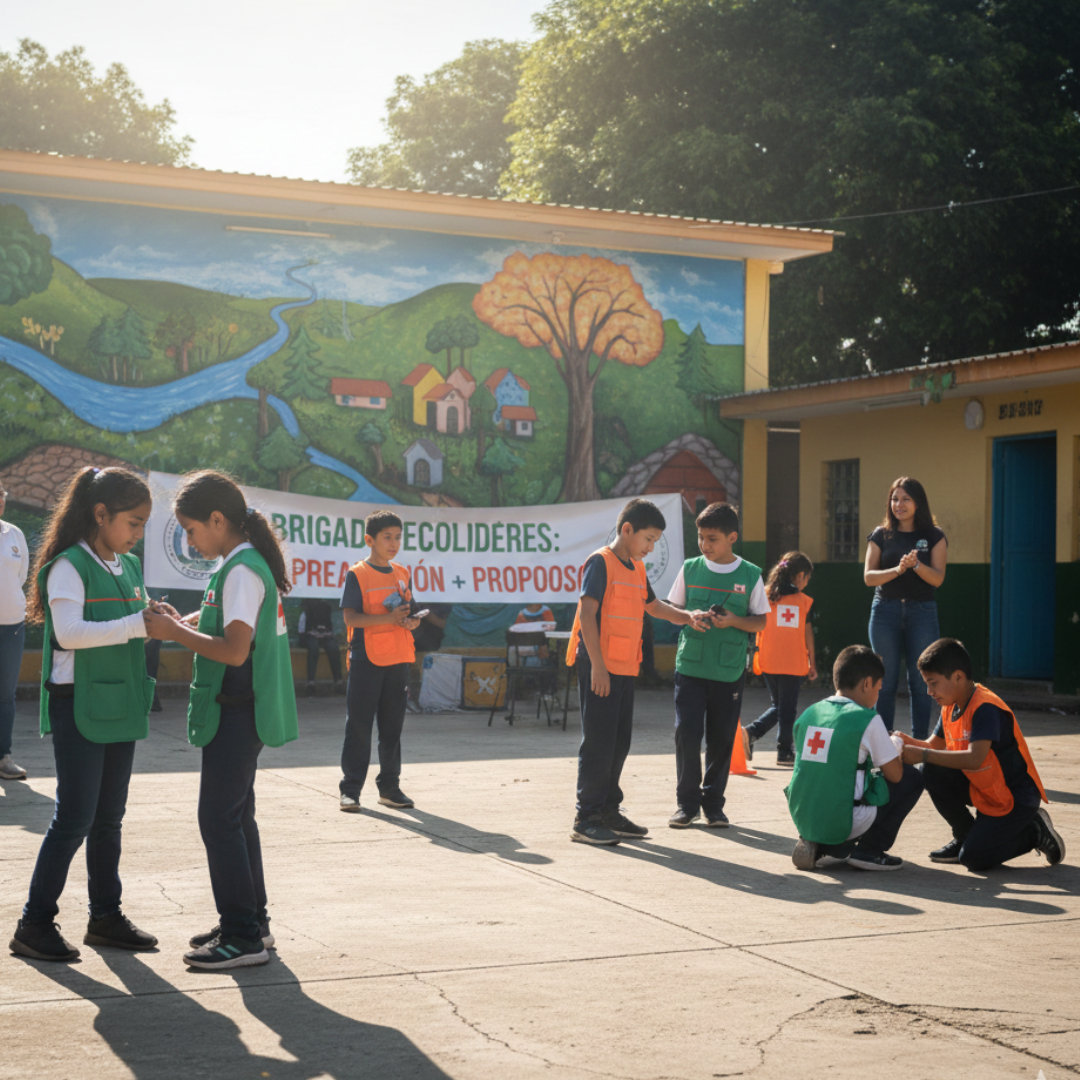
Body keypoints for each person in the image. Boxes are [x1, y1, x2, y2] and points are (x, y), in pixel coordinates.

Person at [144, 471, 298, 971]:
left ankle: (242, 937)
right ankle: (253, 922)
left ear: (217, 520)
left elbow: (234, 650)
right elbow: (228, 623)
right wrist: (183, 622)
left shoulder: (241, 571)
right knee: (236, 817)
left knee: (218, 820)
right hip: (241, 710)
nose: (190, 541)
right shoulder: (239, 565)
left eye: (191, 530)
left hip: (238, 710)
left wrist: (172, 632)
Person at [9, 467, 158, 962]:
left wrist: (155, 617)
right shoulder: (68, 565)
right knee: (74, 818)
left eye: (143, 524)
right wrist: (138, 623)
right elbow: (69, 633)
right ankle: (33, 924)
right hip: (79, 705)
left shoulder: (127, 565)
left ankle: (105, 917)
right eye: (133, 523)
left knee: (109, 819)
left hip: (119, 702)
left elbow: (131, 619)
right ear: (100, 514)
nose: (138, 534)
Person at [566, 498, 709, 845]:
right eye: (648, 539)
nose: (651, 547)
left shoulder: (637, 568)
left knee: (619, 742)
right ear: (627, 529)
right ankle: (586, 818)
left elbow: (654, 606)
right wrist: (598, 666)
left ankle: (608, 811)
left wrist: (687, 617)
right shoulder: (600, 562)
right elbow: (587, 614)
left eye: (656, 541)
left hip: (624, 667)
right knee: (599, 742)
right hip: (601, 667)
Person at [899, 637, 1064, 872]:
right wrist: (904, 741)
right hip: (985, 789)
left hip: (1015, 799)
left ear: (958, 677)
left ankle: (1034, 832)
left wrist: (921, 754)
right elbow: (933, 745)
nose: (929, 691)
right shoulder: (951, 704)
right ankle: (964, 835)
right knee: (930, 768)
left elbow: (975, 758)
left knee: (974, 859)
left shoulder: (985, 707)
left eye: (933, 683)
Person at [666, 502, 769, 828]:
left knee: (722, 739)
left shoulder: (750, 574)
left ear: (731, 538)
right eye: (701, 537)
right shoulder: (690, 568)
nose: (704, 545)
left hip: (728, 671)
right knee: (686, 733)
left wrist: (734, 620)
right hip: (690, 669)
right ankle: (686, 805)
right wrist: (689, 617)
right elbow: (672, 610)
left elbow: (761, 621)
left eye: (712, 539)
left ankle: (713, 806)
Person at [788, 645, 925, 872]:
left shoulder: (809, 713)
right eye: (878, 689)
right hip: (846, 817)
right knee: (912, 778)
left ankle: (818, 841)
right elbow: (895, 775)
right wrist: (896, 744)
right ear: (867, 683)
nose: (877, 696)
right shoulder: (867, 718)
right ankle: (869, 850)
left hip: (804, 813)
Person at [337, 510, 421, 814]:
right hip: (367, 659)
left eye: (398, 537)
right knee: (359, 726)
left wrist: (412, 622)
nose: (394, 543)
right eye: (387, 537)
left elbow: (411, 612)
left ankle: (389, 788)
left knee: (392, 727)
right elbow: (350, 618)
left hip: (398, 658)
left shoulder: (402, 573)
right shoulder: (357, 574)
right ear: (369, 540)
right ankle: (350, 791)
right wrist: (388, 618)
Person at [864, 477, 947, 739]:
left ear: (918, 502)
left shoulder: (934, 535)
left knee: (922, 681)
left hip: (922, 613)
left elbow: (938, 579)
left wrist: (917, 566)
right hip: (884, 612)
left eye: (905, 499)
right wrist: (898, 570)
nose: (899, 505)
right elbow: (869, 577)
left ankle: (920, 743)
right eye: (894, 499)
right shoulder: (881, 534)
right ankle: (883, 742)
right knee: (884, 682)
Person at [742, 551, 817, 767]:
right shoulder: (803, 602)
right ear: (800, 576)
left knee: (780, 706)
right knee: (786, 708)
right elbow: (807, 634)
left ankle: (754, 735)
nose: (807, 583)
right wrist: (812, 661)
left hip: (768, 659)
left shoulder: (765, 596)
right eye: (807, 578)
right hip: (792, 662)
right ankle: (781, 750)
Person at [0, 482, 29, 780]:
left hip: (12, 626)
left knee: (6, 695)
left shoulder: (14, 534)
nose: (0, 501)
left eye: (1, 496)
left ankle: (3, 756)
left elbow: (21, 576)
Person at [298, 596, 343, 695]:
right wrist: (305, 637)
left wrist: (326, 633)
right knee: (313, 648)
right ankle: (310, 682)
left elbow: (331, 627)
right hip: (311, 636)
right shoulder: (307, 610)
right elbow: (302, 629)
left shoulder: (326, 608)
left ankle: (338, 681)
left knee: (333, 648)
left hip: (326, 636)